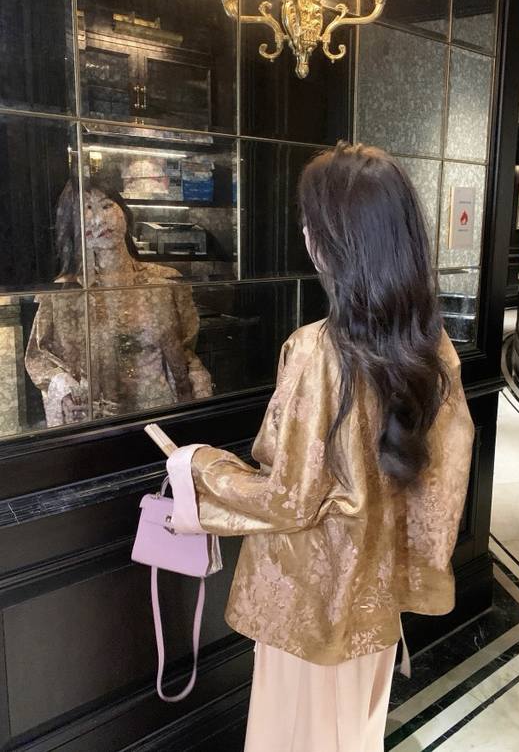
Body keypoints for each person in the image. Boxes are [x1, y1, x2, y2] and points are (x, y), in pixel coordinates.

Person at [167, 142, 475, 752]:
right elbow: (442, 481)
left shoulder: (317, 352)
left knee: (297, 736)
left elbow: (291, 499)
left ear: (336, 241)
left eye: (312, 221)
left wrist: (198, 468)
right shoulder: (429, 346)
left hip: (310, 606)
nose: (305, 233)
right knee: (354, 731)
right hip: (375, 600)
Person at [25, 173, 212, 427]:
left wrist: (197, 377)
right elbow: (39, 358)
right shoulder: (64, 293)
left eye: (106, 206)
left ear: (124, 212)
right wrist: (62, 388)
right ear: (73, 225)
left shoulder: (165, 281)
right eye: (87, 210)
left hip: (162, 413)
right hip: (98, 423)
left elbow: (185, 349)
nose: (99, 219)